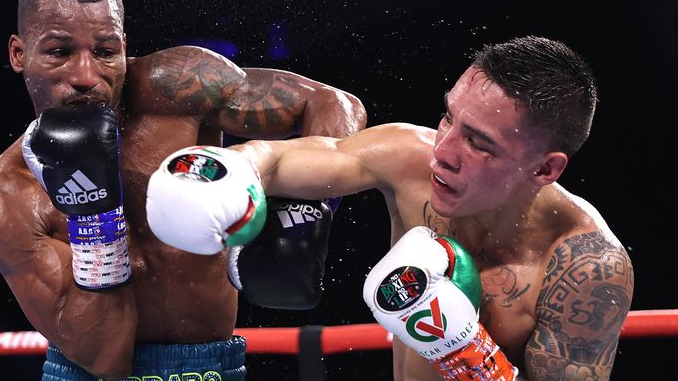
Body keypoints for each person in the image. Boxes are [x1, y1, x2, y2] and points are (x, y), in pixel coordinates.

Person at [0, 0, 366, 381]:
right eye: (59, 52)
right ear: (19, 53)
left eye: (105, 51)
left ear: (124, 46)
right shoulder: (4, 198)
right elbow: (104, 359)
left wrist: (304, 213)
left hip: (213, 367)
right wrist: (94, 218)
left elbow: (331, 103)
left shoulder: (175, 89)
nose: (86, 75)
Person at [153, 36, 634, 380]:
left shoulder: (587, 268)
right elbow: (281, 160)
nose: (444, 150)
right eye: (449, 117)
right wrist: (220, 173)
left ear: (545, 169)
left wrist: (466, 353)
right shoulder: (410, 159)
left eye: (480, 144)